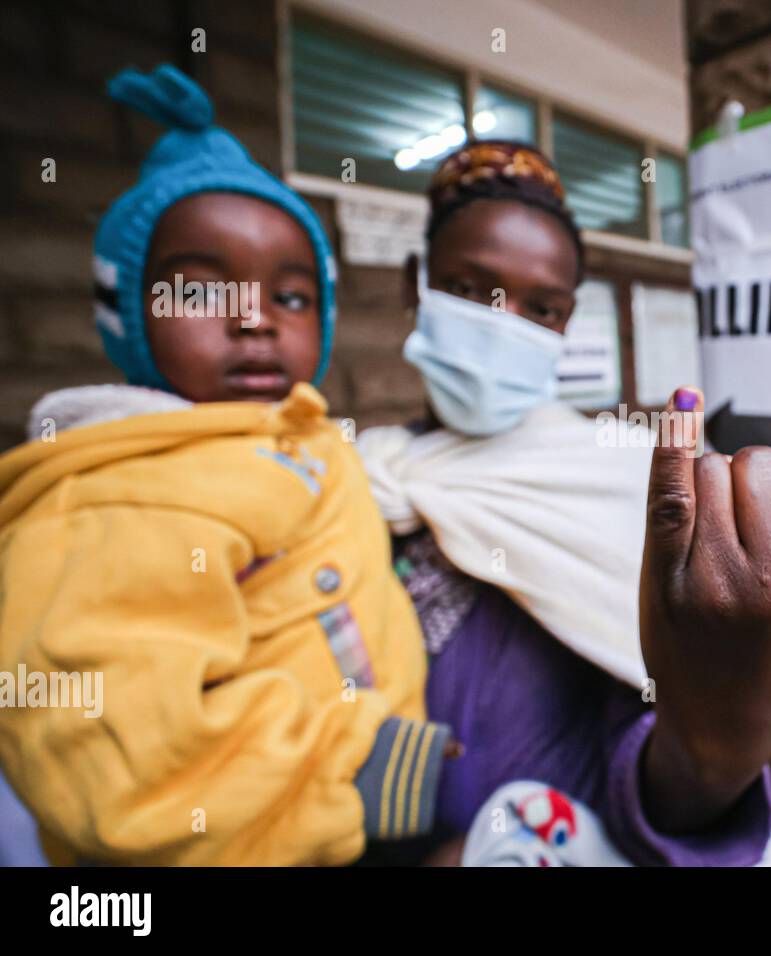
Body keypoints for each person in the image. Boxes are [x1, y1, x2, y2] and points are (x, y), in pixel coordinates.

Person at [358, 142, 771, 865]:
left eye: (542, 308)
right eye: (470, 289)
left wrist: (723, 732)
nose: (504, 326)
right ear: (417, 282)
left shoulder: (618, 483)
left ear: (567, 323)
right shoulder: (352, 473)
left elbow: (663, 768)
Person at [0, 66, 454, 865]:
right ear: (128, 314)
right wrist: (361, 778)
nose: (253, 321)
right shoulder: (121, 499)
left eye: (290, 296)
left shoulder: (298, 437)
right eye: (203, 293)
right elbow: (129, 780)